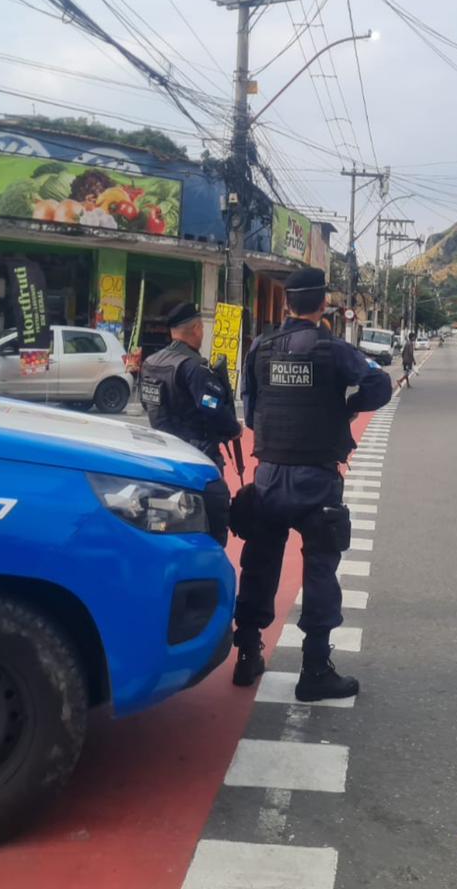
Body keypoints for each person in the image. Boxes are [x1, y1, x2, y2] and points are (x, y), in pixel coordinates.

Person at [230, 267, 392, 701]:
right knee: (320, 569)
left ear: (285, 304)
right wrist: (348, 408)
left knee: (260, 562)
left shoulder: (260, 348)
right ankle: (315, 670)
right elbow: (379, 385)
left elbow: (250, 408)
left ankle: (247, 654)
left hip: (268, 475)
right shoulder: (333, 349)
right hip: (316, 480)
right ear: (323, 306)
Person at [140, 302, 241, 469]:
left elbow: (147, 403)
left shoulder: (150, 363)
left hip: (161, 449)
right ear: (196, 328)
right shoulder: (193, 367)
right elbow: (210, 404)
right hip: (195, 453)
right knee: (215, 494)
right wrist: (234, 428)